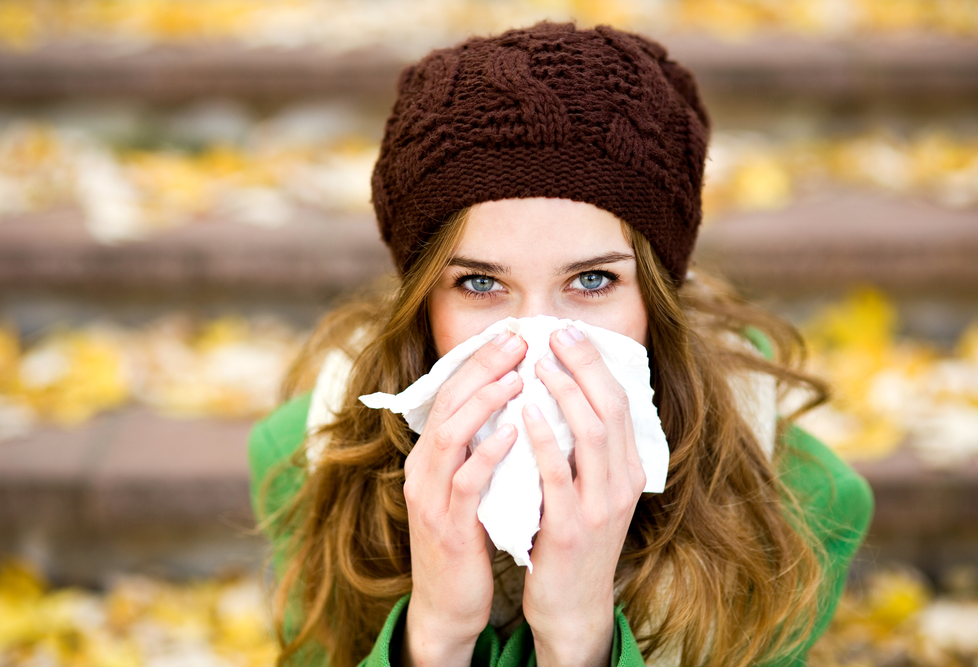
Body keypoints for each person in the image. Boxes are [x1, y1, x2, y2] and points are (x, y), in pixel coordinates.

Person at [249, 22, 873, 667]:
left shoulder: (794, 502)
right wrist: (434, 636)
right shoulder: (314, 462)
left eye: (593, 280)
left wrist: (577, 637)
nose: (538, 338)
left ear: (656, 297)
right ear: (421, 301)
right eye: (481, 282)